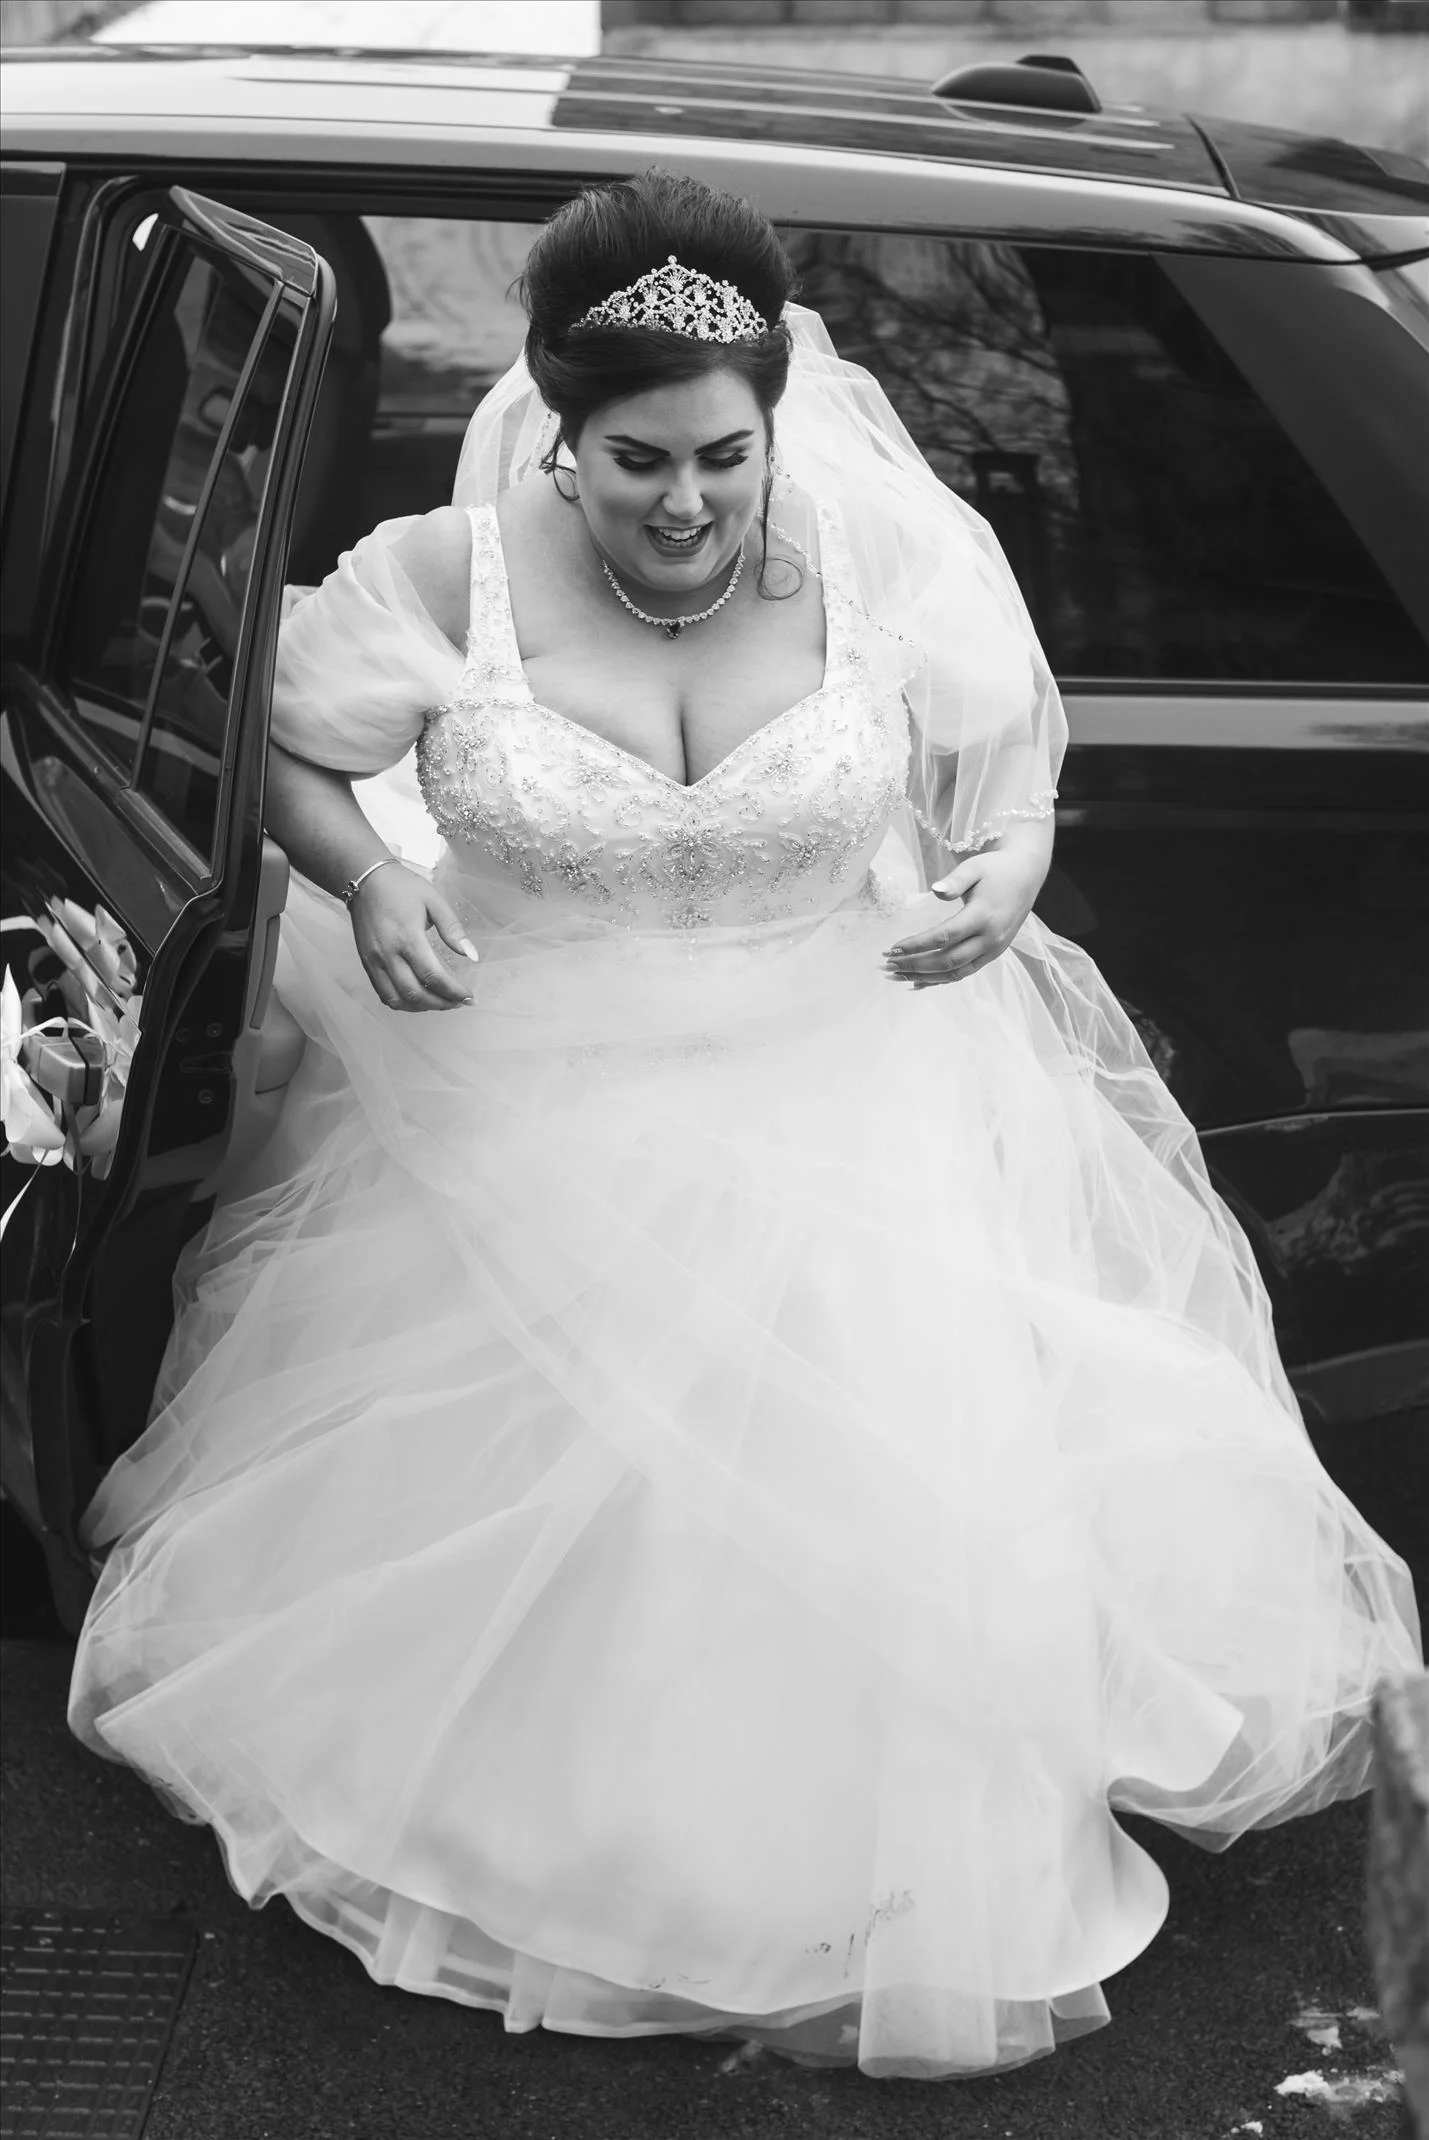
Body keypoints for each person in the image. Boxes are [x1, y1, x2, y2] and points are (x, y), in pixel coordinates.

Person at [68, 172, 1420, 2082]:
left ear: (780, 421)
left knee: (878, 1502)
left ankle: (866, 1879)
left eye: (725, 455)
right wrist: (370, 879)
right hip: (525, 1121)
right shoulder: (444, 576)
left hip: (856, 1096)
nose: (689, 503)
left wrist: (1007, 877)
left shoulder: (880, 560)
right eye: (637, 463)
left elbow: (1007, 773)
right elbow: (293, 751)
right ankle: (575, 1856)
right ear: (558, 427)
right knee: (580, 1515)